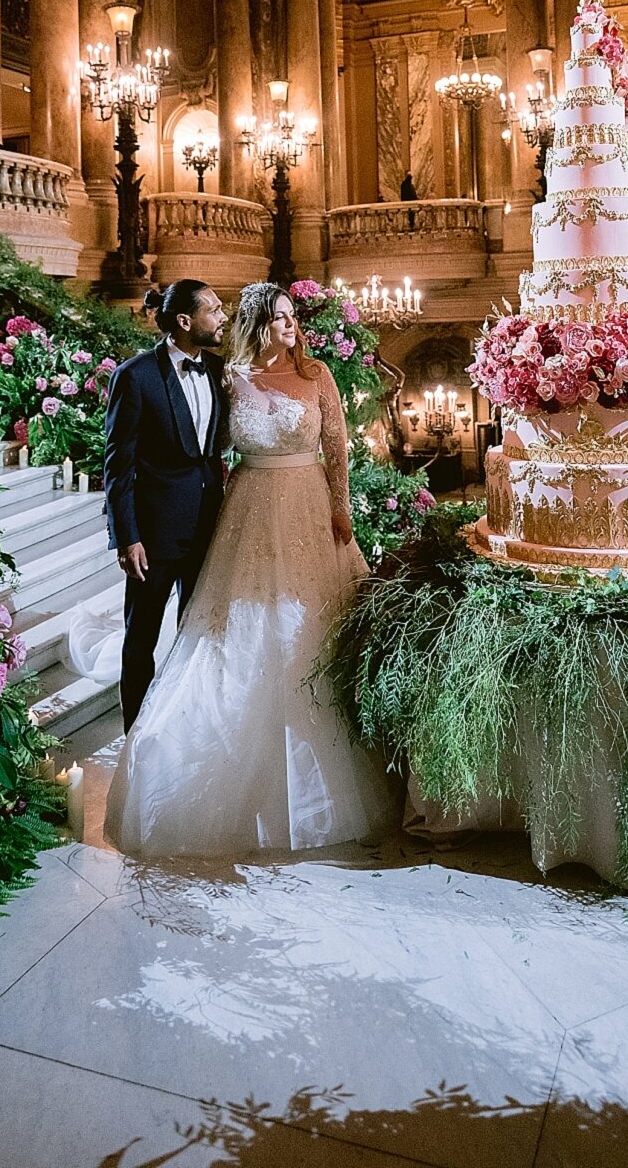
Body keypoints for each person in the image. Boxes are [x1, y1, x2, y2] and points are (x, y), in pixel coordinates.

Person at [105, 281, 397, 858]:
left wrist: (341, 510)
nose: (293, 325)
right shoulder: (224, 376)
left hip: (306, 509)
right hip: (236, 514)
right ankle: (148, 747)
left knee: (302, 631)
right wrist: (128, 533)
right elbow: (126, 459)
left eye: (295, 316)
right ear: (260, 323)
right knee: (212, 636)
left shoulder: (316, 377)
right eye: (282, 316)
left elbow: (338, 448)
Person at [104, 279, 229, 733]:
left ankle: (187, 726)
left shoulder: (218, 370)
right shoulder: (135, 376)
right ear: (184, 321)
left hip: (209, 528)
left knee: (197, 634)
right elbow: (118, 465)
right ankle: (136, 733)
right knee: (141, 640)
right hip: (153, 536)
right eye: (214, 310)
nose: (223, 318)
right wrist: (127, 536)